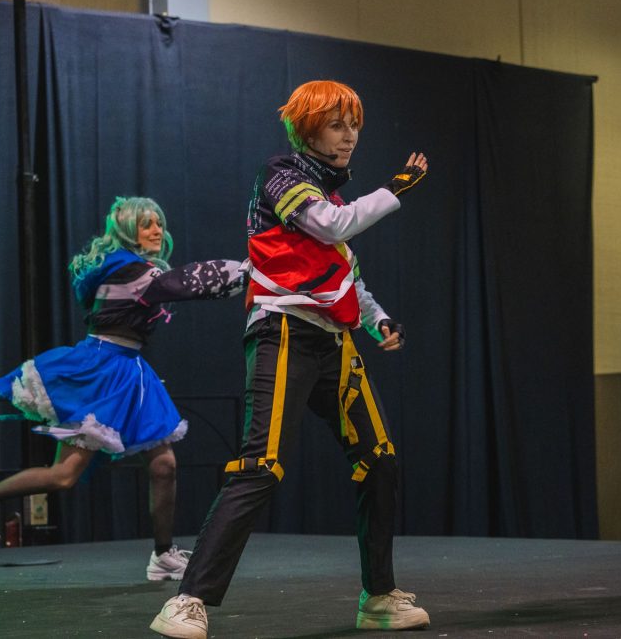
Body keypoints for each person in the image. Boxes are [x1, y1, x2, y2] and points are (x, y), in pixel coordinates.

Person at [150, 80, 431, 638]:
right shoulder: (281, 175)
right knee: (261, 466)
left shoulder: (330, 198)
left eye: (354, 125)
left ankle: (378, 597)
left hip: (333, 342)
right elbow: (332, 226)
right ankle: (187, 600)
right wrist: (396, 187)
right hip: (282, 333)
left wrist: (378, 321)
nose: (349, 136)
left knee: (380, 460)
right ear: (307, 131)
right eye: (336, 125)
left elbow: (345, 274)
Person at [0, 196, 244, 581]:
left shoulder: (136, 267)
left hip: (129, 370)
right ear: (128, 230)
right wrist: (247, 270)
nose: (157, 230)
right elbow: (184, 283)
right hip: (101, 369)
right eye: (147, 224)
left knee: (164, 465)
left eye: (159, 222)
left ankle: (162, 554)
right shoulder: (127, 267)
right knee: (64, 475)